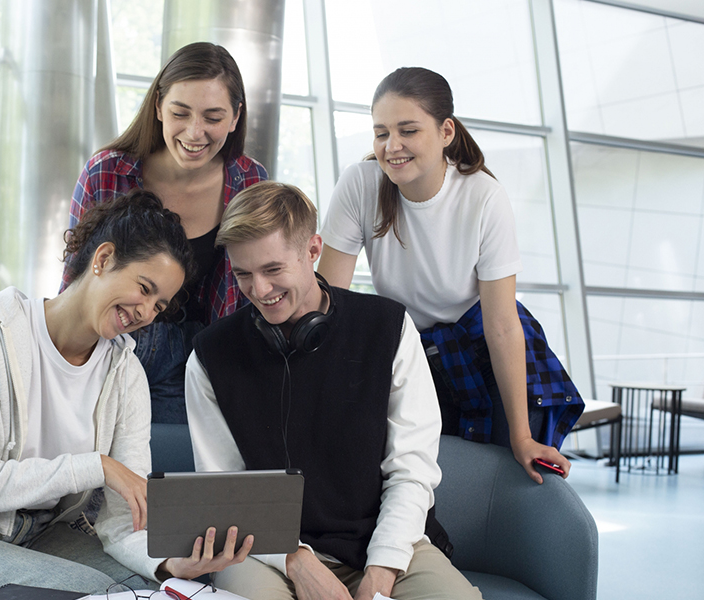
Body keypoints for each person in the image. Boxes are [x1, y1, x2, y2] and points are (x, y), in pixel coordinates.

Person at [0, 190, 252, 600]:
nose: (147, 312)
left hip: (37, 535)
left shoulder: (125, 372)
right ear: (102, 259)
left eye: (159, 305)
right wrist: (96, 466)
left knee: (155, 591)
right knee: (105, 597)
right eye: (144, 287)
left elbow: (119, 522)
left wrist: (168, 564)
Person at [185, 181, 481, 600]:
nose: (260, 291)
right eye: (243, 275)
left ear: (312, 250)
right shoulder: (210, 356)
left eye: (273, 270)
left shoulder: (388, 327)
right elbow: (226, 489)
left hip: (382, 542)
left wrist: (382, 568)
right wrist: (294, 558)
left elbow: (411, 469)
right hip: (267, 549)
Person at [317, 67, 583, 484]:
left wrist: (521, 436)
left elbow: (501, 324)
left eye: (408, 130)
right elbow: (328, 302)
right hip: (412, 346)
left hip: (485, 343)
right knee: (413, 473)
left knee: (500, 475)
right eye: (381, 132)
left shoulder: (483, 195)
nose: (392, 146)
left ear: (445, 132)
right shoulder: (360, 183)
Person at [63, 41, 268, 425]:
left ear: (236, 117)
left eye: (213, 116)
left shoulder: (250, 182)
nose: (195, 132)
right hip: (111, 349)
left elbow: (253, 294)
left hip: (199, 363)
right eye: (180, 113)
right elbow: (73, 284)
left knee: (172, 474)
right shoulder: (106, 173)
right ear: (158, 106)